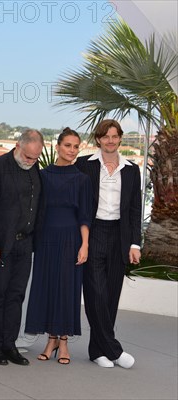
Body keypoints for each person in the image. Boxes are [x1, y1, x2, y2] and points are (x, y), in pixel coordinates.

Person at [75, 119, 142, 369]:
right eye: (106, 137)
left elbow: (135, 209)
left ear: (120, 139)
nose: (110, 141)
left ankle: (97, 350)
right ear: (98, 139)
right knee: (95, 292)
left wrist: (135, 243)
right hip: (92, 233)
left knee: (111, 294)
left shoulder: (131, 169)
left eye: (115, 136)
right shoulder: (84, 165)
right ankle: (114, 349)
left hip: (120, 235)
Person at [24, 128, 92, 365]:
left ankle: (62, 342)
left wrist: (84, 245)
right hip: (45, 239)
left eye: (76, 146)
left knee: (67, 289)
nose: (72, 151)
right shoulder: (41, 175)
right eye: (68, 146)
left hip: (71, 239)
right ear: (57, 147)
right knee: (48, 286)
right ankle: (51, 339)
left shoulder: (82, 179)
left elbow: (85, 215)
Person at [0, 129, 44, 366]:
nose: (31, 162)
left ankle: (10, 345)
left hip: (25, 244)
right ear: (18, 146)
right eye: (28, 156)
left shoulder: (34, 168)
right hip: (0, 246)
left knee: (16, 296)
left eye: (35, 158)